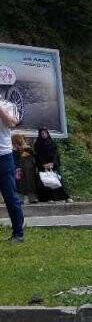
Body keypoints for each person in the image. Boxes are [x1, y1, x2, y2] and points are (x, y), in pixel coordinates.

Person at [0, 98, 24, 242]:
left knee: (10, 197)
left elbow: (11, 123)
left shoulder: (8, 105)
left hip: (4, 157)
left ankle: (18, 233)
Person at [34, 128, 70, 202]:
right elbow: (38, 156)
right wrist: (44, 164)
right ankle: (48, 198)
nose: (44, 135)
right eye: (42, 133)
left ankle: (63, 197)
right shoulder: (37, 144)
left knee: (57, 180)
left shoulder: (52, 143)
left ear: (47, 133)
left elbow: (56, 154)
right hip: (43, 166)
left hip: (53, 165)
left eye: (45, 133)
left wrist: (52, 163)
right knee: (46, 182)